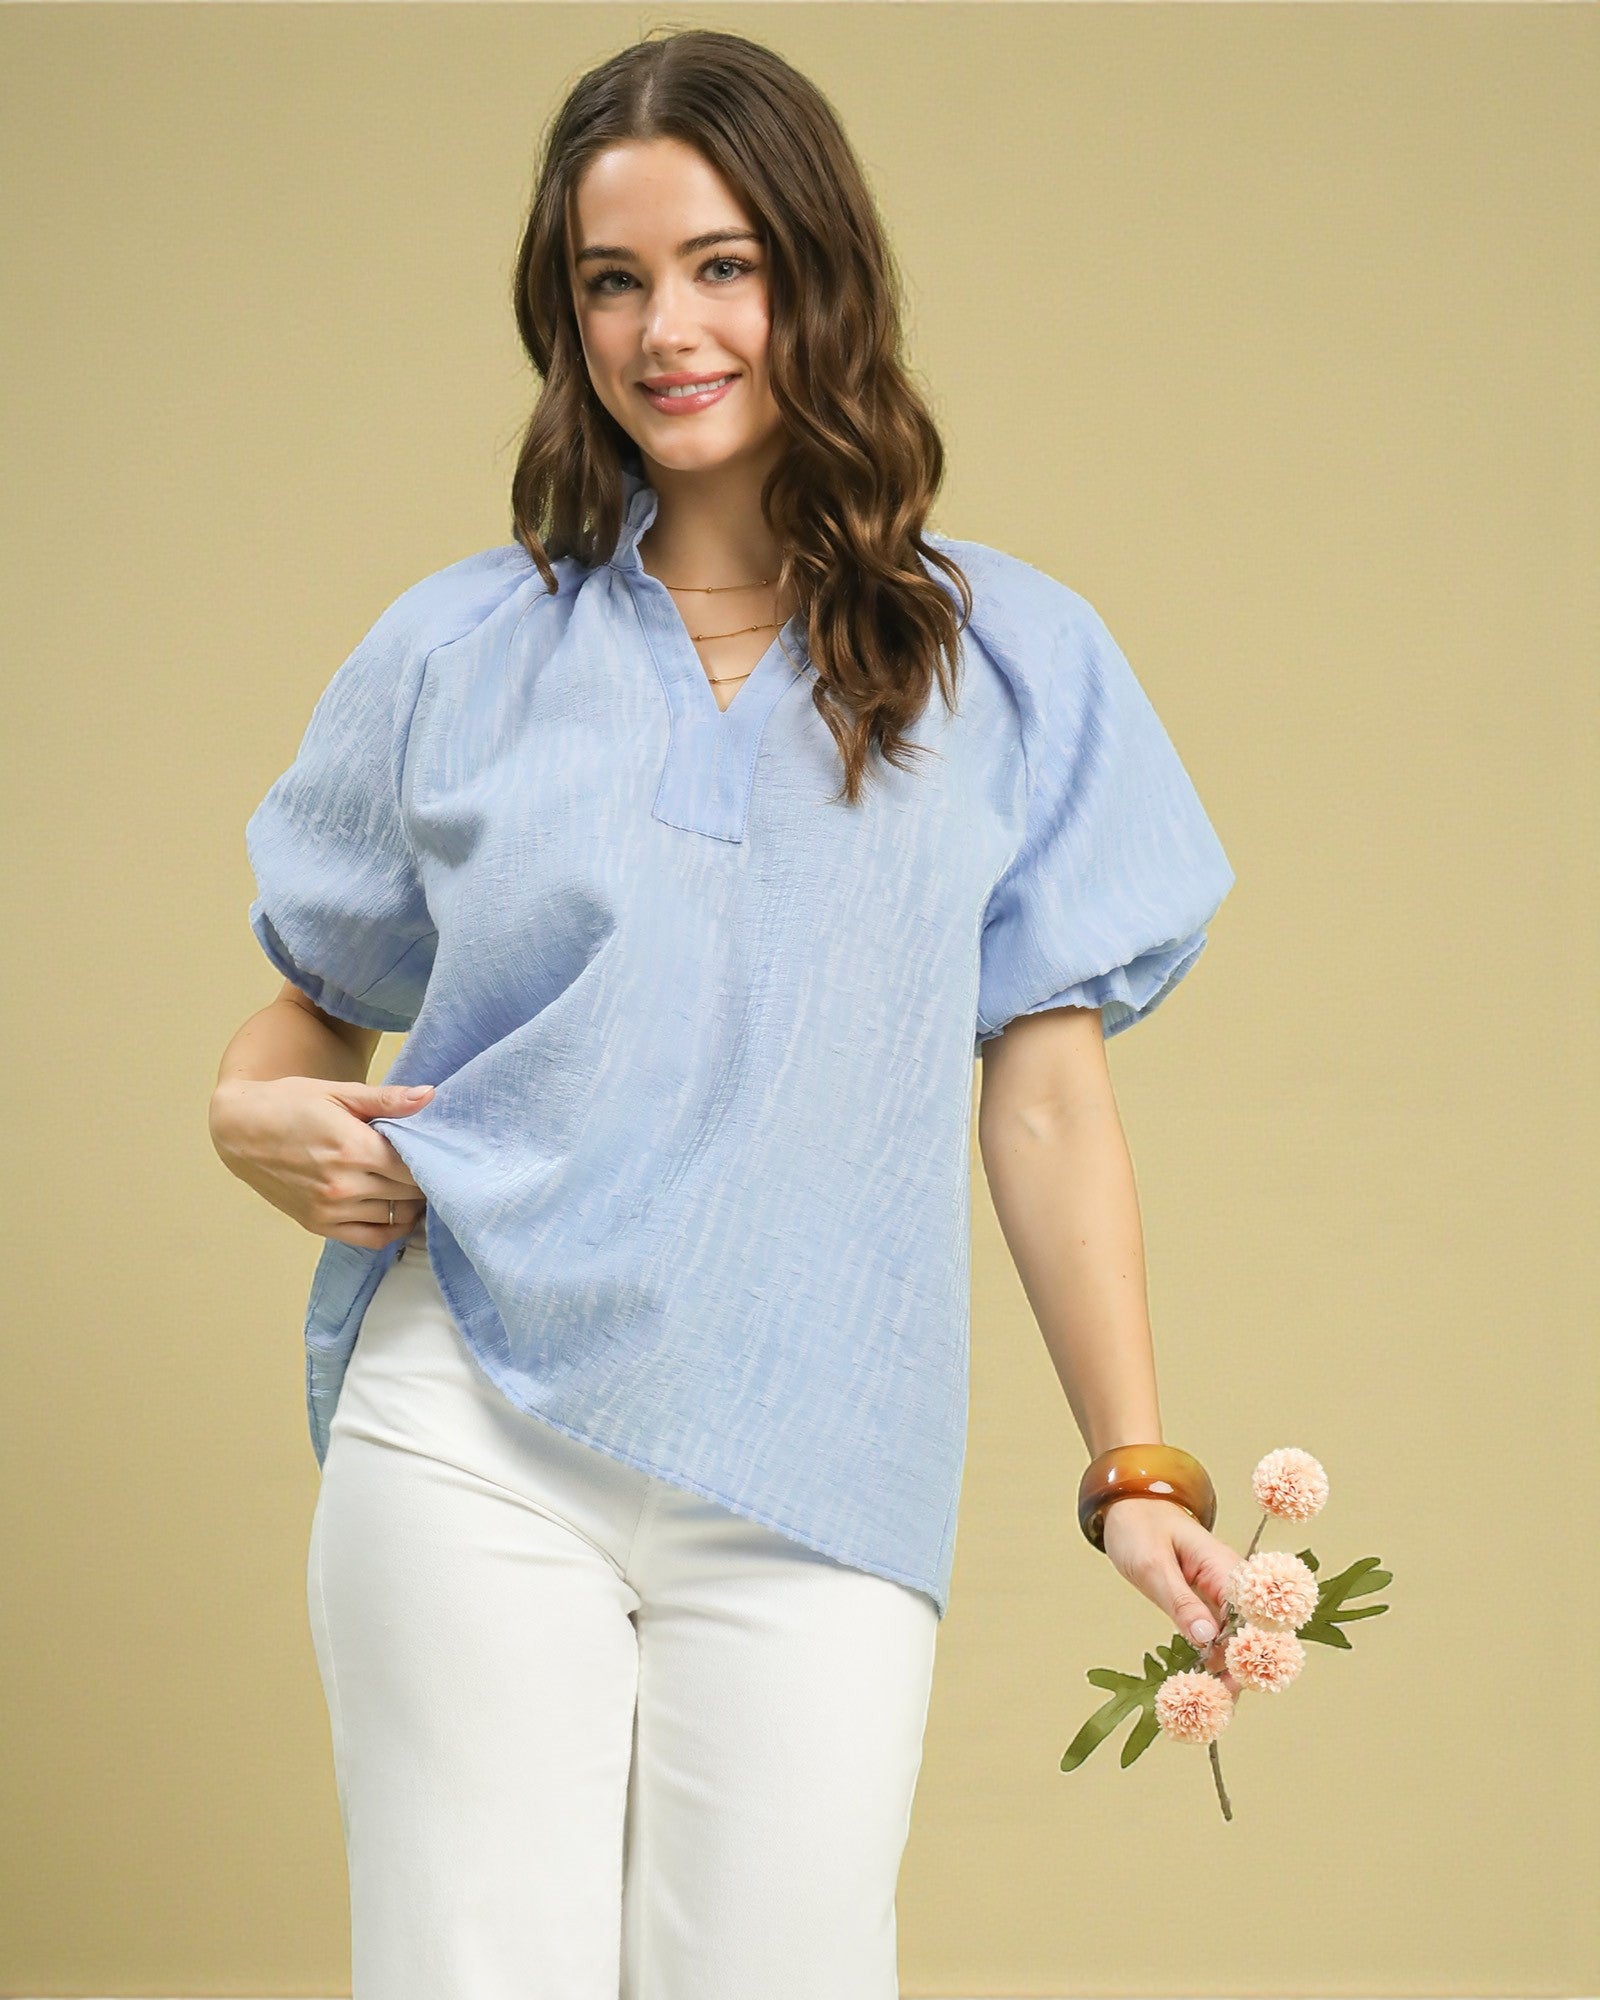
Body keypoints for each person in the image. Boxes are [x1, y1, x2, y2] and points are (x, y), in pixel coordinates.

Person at [208, 27, 1244, 2000]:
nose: (663, 327)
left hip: (819, 1456)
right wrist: (248, 1117)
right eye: (611, 279)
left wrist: (1133, 1470)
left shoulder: (1010, 661)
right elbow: (296, 1024)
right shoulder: (454, 648)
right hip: (474, 1421)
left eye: (718, 265)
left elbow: (1039, 1100)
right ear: (562, 314)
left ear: (814, 282)